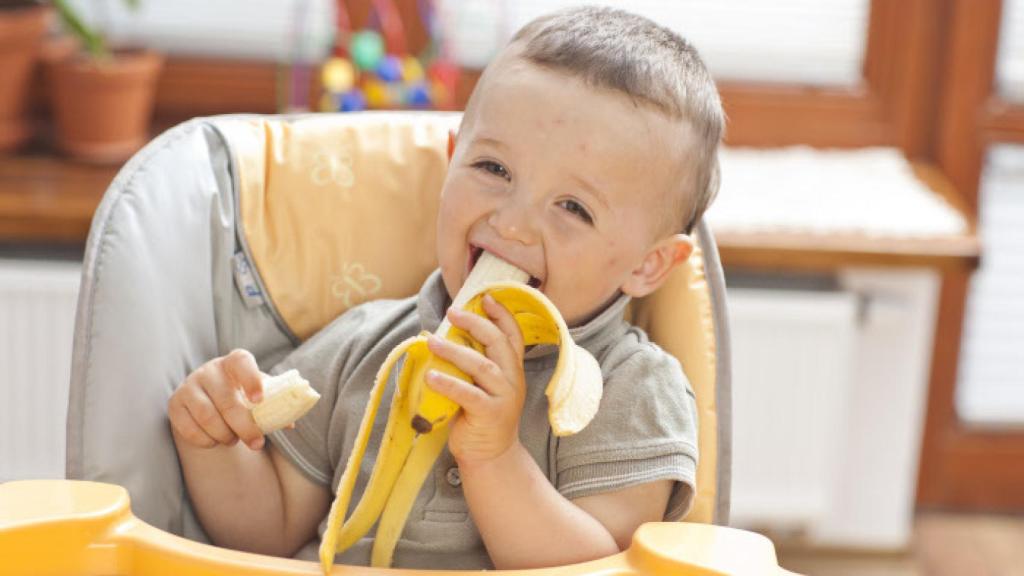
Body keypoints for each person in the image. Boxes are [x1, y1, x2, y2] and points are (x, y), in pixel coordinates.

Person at [167, 5, 724, 570]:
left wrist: (494, 457)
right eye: (494, 169)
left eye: (574, 208)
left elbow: (601, 568)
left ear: (650, 265)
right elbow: (268, 531)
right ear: (452, 161)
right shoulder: (364, 345)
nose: (511, 222)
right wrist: (211, 440)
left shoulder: (634, 390)